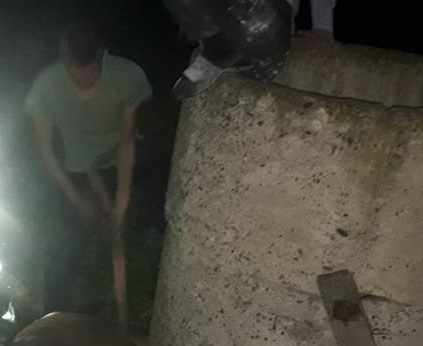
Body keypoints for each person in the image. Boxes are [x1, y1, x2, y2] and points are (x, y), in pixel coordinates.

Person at [25, 21, 152, 313]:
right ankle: (54, 316)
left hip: (115, 161)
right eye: (74, 74)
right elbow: (44, 147)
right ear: (65, 62)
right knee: (66, 247)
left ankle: (129, 299)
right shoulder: (46, 85)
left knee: (122, 234)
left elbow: (127, 139)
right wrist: (74, 197)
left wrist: (122, 202)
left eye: (92, 73)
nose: (83, 81)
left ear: (102, 56)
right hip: (76, 170)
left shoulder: (127, 76)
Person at [164, 0, 336, 98]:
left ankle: (263, 58)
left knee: (258, 21)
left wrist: (323, 27)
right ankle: (219, 47)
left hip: (269, 22)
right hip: (228, 21)